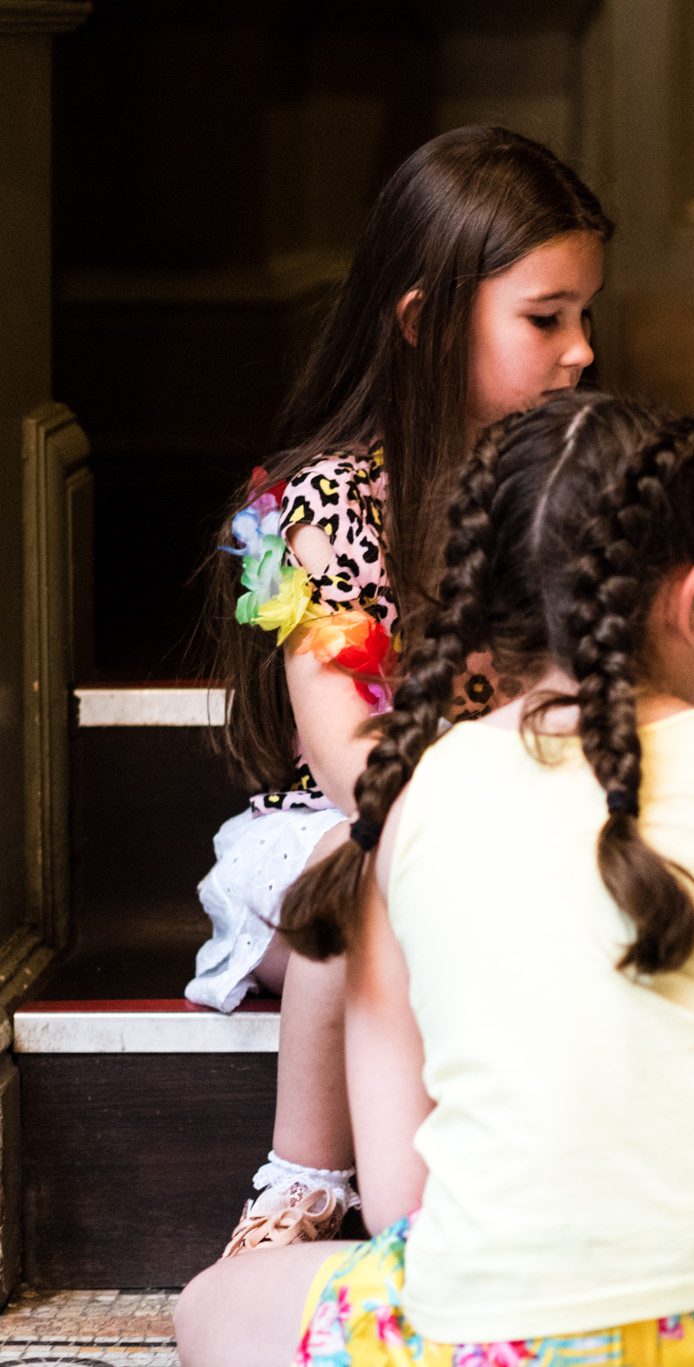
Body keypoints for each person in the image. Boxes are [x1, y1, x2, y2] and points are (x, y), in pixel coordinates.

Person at [175, 392, 694, 1367]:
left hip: (497, 1323)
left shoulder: (407, 807)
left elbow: (399, 1201)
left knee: (210, 1307)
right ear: (688, 598)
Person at [192, 125, 611, 1255]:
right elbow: (346, 759)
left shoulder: (553, 488)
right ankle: (302, 1181)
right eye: (546, 318)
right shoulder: (329, 504)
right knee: (365, 882)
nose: (580, 350)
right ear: (425, 320)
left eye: (585, 315)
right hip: (337, 836)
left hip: (509, 821)